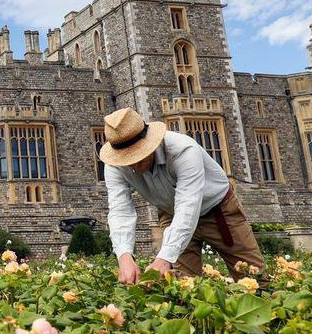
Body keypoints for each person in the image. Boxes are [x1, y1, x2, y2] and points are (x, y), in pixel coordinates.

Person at [97, 107, 264, 284]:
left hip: (219, 212)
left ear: (151, 142)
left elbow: (188, 206)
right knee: (183, 287)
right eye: (127, 160)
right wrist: (124, 256)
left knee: (255, 280)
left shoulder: (184, 150)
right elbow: (120, 210)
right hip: (171, 213)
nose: (135, 166)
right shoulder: (114, 165)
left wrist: (163, 259)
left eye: (139, 155)